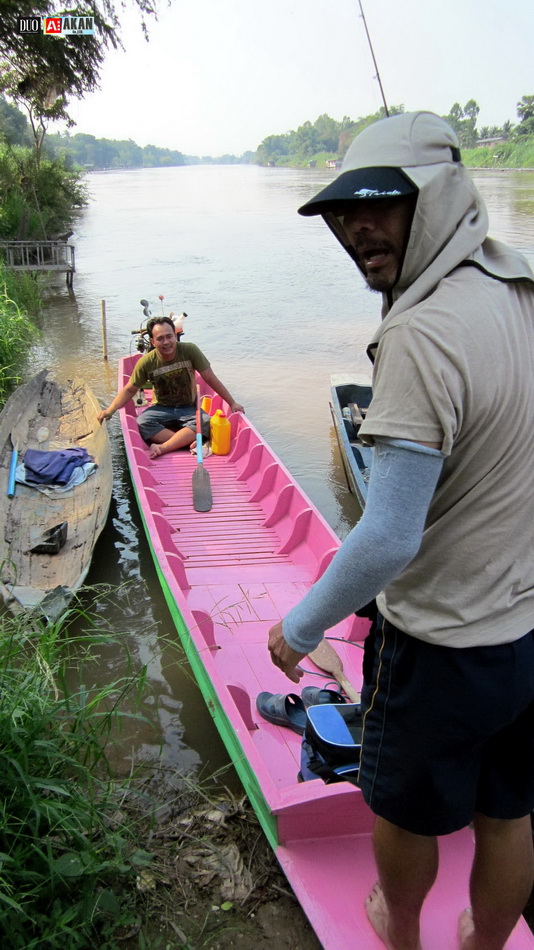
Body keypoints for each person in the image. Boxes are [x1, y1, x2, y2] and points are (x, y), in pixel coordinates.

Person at [267, 111, 534, 950]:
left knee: (403, 810)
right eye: (345, 213)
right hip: (523, 632)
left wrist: (298, 627)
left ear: (444, 197)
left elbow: (386, 539)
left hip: (441, 649)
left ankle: (402, 929)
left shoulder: (418, 334)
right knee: (508, 809)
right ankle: (485, 942)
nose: (358, 227)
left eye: (383, 205)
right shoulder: (520, 290)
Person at [97, 316, 244, 459]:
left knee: (205, 421)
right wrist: (110, 410)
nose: (166, 342)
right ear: (153, 341)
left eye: (169, 336)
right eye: (160, 338)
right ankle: (187, 442)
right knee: (142, 422)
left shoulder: (190, 350)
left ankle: (164, 447)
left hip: (188, 407)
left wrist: (232, 402)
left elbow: (210, 377)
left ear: (175, 336)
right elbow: (130, 389)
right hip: (162, 408)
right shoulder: (147, 362)